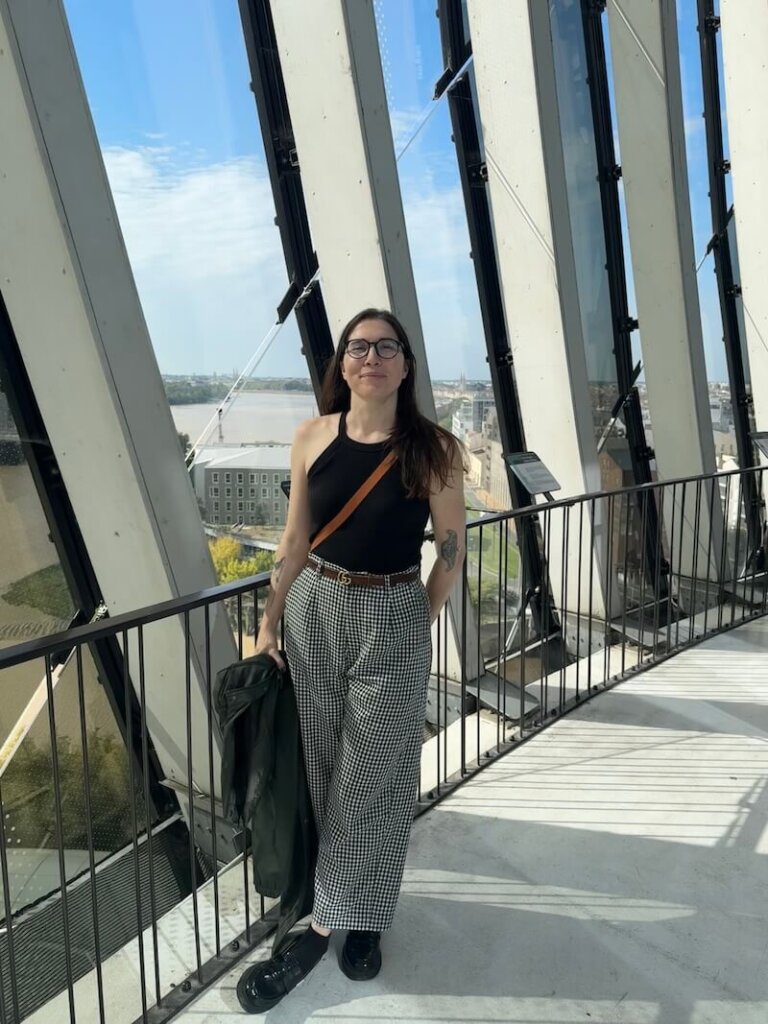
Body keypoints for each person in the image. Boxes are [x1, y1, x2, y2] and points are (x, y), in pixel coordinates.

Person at [236, 308, 466, 1014]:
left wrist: (415, 620)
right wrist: (268, 622)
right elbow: (295, 540)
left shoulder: (435, 450)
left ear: (405, 365)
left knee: (369, 779)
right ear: (341, 364)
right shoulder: (312, 436)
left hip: (392, 611)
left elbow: (450, 552)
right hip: (314, 606)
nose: (371, 358)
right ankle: (352, 910)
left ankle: (323, 929)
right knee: (318, 770)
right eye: (358, 347)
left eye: (386, 347)